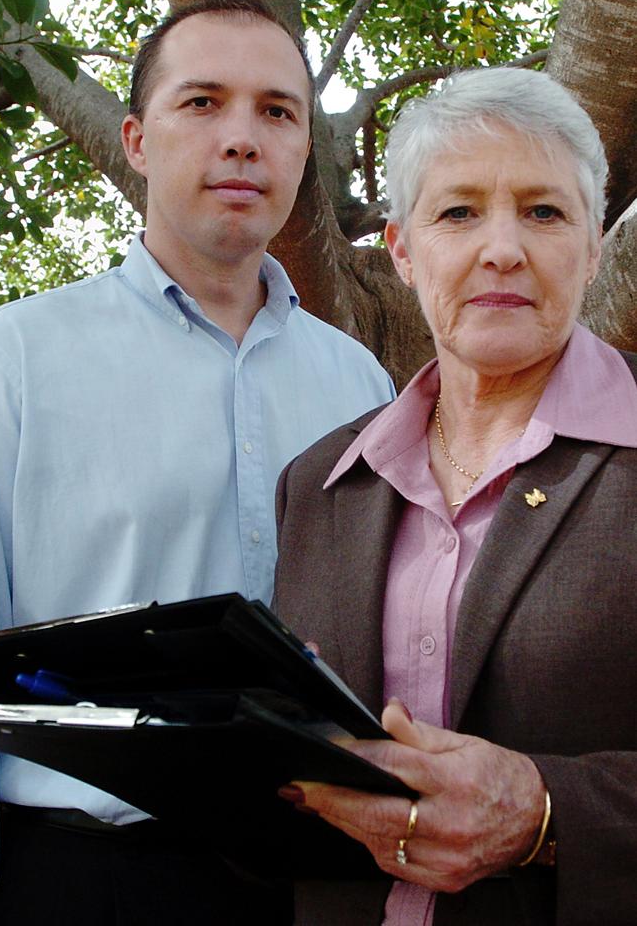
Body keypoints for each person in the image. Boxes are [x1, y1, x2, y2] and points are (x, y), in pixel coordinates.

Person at [0, 0, 395, 923]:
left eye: (277, 112)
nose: (243, 139)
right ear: (135, 138)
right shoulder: (11, 360)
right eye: (202, 102)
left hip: (319, 874)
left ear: (302, 154)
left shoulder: (362, 383)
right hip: (87, 877)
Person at [273, 66, 637, 925]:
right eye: (459, 211)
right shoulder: (321, 482)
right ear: (402, 250)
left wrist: (546, 812)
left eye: (545, 212)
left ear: (593, 248)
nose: (501, 247)